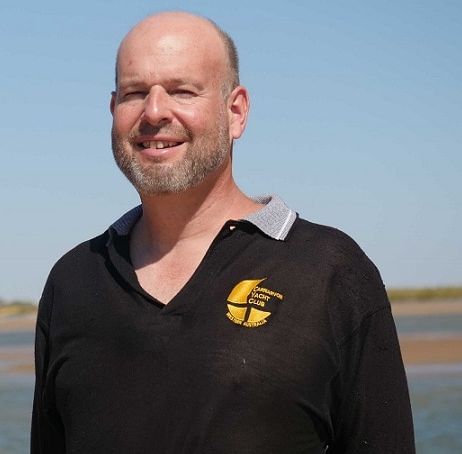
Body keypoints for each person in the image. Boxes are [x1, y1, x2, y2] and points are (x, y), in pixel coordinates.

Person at [30, 11, 415, 454]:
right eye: (135, 93)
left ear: (236, 112)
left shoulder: (330, 271)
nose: (154, 112)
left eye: (182, 91)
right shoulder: (73, 281)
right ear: (113, 109)